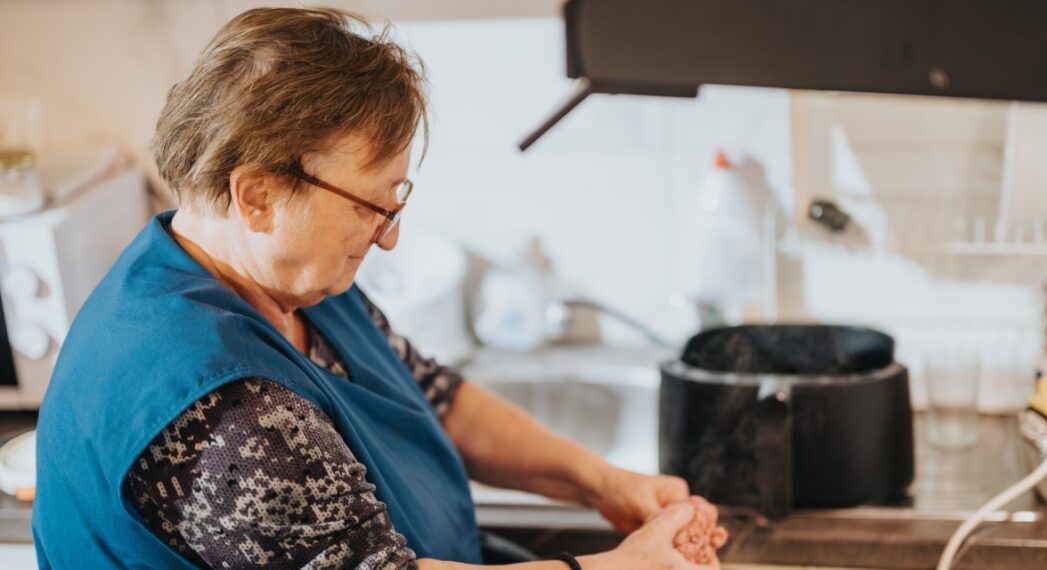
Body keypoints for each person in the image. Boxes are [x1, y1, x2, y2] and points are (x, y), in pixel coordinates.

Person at [32, 7, 725, 569]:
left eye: (395, 203)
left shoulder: (295, 279)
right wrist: (621, 566)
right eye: (372, 206)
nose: (388, 237)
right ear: (258, 196)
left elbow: (428, 394)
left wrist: (605, 483)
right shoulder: (224, 414)